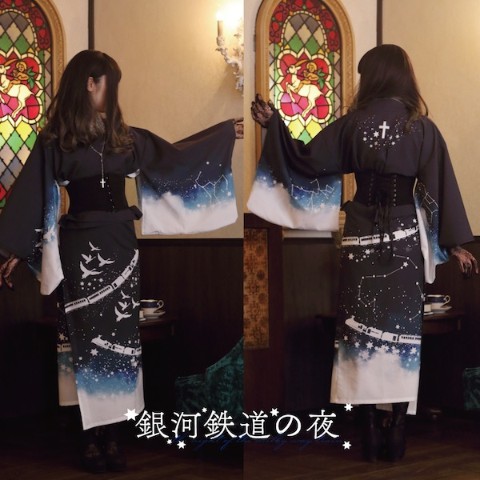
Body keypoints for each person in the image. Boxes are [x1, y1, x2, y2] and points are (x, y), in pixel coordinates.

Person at [0, 49, 242, 473]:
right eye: (111, 83)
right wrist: (14, 251)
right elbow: (31, 195)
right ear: (91, 83)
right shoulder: (55, 140)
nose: (114, 93)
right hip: (80, 247)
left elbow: (174, 156)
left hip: (121, 246)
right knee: (83, 343)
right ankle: (89, 439)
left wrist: (221, 134)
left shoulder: (123, 137)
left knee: (121, 342)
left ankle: (114, 435)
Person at [250, 44, 477, 462]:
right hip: (404, 238)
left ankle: (370, 428)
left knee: (358, 333)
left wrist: (276, 126)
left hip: (359, 234)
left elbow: (306, 160)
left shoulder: (353, 124)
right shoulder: (421, 128)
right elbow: (438, 190)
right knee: (402, 337)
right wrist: (454, 245)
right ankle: (398, 428)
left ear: (372, 77)